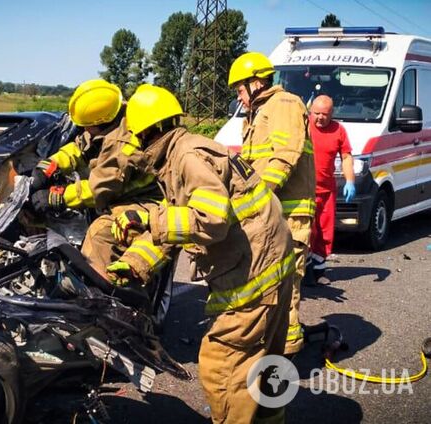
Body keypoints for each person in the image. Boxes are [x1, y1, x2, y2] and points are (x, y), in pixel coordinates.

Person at [109, 84, 294, 424]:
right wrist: (135, 262)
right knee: (264, 366)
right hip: (272, 262)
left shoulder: (187, 157)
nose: (136, 146)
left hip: (253, 274)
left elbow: (209, 221)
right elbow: (177, 221)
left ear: (150, 131)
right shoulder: (185, 150)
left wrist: (146, 216)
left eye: (137, 137)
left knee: (223, 365)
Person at [30, 79, 169, 285]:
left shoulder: (123, 145)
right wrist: (51, 165)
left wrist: (57, 196)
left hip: (146, 199)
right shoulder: (112, 116)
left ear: (101, 122)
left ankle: (102, 295)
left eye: (87, 126)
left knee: (99, 235)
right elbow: (80, 147)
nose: (84, 129)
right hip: (121, 192)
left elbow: (100, 189)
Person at [228, 52, 315, 356]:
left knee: (286, 282)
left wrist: (257, 195)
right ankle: (272, 344)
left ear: (256, 81)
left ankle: (287, 351)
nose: (239, 97)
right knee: (266, 280)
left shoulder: (285, 104)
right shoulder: (258, 111)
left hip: (290, 213)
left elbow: (284, 156)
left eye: (240, 89)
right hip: (269, 211)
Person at [306, 94, 355, 284]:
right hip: (304, 189)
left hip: (327, 190)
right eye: (316, 113)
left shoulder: (338, 130)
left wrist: (349, 181)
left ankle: (318, 270)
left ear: (332, 114)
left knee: (325, 231)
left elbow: (346, 157)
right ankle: (304, 268)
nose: (319, 118)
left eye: (324, 114)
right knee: (306, 230)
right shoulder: (303, 126)